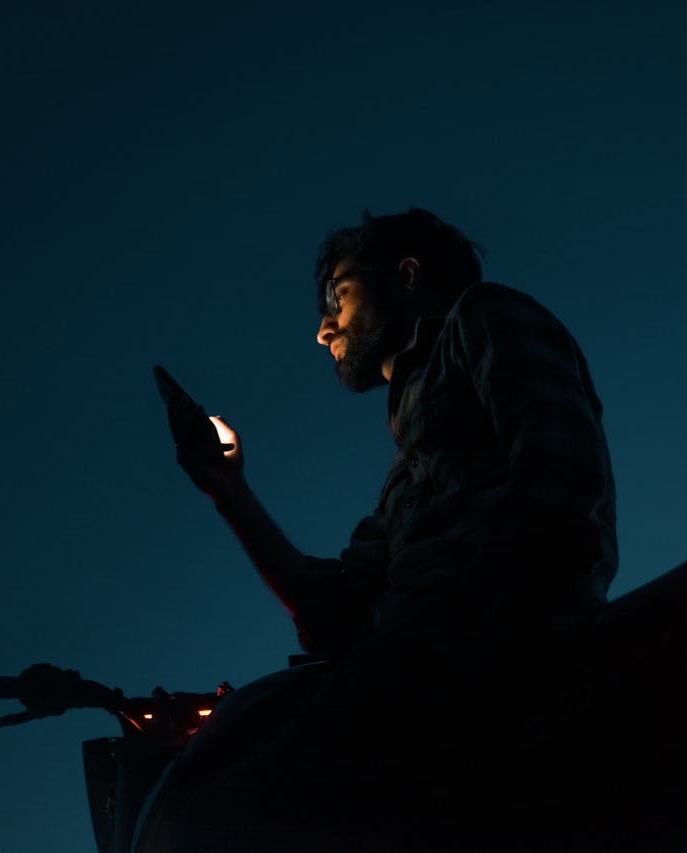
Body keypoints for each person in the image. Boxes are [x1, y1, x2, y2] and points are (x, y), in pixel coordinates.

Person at [142, 208, 619, 851]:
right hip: (420, 666)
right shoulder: (409, 470)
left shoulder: (484, 316)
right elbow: (333, 609)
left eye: (338, 295)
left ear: (408, 275)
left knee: (218, 820)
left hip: (485, 663)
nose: (322, 330)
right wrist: (228, 490)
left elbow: (560, 478)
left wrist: (450, 624)